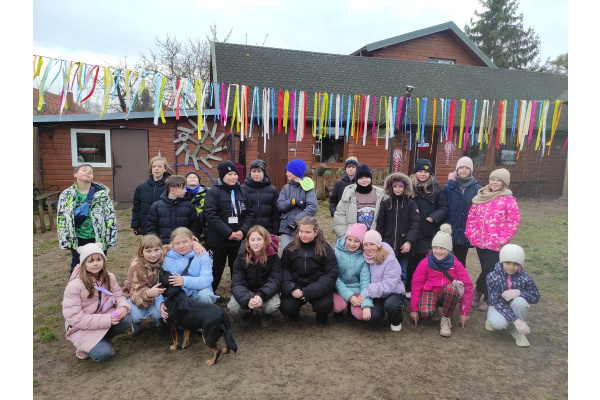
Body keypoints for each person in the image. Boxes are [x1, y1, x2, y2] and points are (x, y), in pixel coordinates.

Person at [62, 242, 132, 361]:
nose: (95, 264)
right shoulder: (74, 286)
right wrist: (107, 320)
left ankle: (102, 340)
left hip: (103, 316)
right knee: (103, 353)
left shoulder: (109, 277)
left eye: (99, 259)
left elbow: (119, 296)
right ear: (83, 263)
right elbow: (74, 317)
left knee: (126, 319)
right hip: (81, 327)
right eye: (90, 261)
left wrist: (122, 308)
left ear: (103, 260)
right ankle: (85, 347)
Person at [466, 168, 520, 312]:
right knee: (486, 269)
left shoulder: (508, 200)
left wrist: (502, 239)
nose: (494, 182)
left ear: (504, 183)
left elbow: (513, 222)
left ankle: (485, 295)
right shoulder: (481, 197)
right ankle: (481, 292)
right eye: (493, 179)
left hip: (496, 243)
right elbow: (471, 217)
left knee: (490, 270)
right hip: (480, 241)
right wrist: (470, 233)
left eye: (498, 180)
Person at [409, 224, 473, 337]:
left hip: (447, 293)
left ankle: (446, 318)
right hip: (430, 292)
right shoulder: (425, 263)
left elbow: (468, 286)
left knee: (452, 289)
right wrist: (414, 309)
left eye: (442, 248)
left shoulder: (456, 264)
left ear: (449, 249)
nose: (438, 251)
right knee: (425, 312)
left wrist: (464, 312)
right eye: (435, 247)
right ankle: (434, 310)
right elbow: (416, 284)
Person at [203, 160, 256, 293]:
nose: (233, 177)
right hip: (218, 240)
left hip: (238, 239)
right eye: (229, 174)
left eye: (235, 174)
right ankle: (208, 295)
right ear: (222, 176)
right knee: (215, 269)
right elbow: (211, 215)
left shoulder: (242, 191)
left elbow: (250, 213)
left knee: (238, 268)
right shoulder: (213, 192)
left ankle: (238, 293)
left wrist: (243, 231)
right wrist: (228, 233)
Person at [57, 164, 118, 276]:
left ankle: (99, 286)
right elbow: (61, 219)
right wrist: (65, 240)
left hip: (98, 238)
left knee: (98, 266)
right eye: (84, 170)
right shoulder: (66, 195)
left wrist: (111, 238)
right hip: (78, 238)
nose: (88, 172)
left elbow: (110, 216)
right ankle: (76, 286)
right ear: (75, 174)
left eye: (91, 172)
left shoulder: (102, 194)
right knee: (77, 267)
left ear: (93, 177)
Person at [280, 216, 338, 327]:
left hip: (317, 286)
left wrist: (310, 291)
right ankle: (293, 315)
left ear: (315, 232)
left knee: (324, 306)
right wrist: (292, 288)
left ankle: (321, 317)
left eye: (308, 232)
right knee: (287, 307)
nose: (303, 235)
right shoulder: (290, 248)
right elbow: (284, 269)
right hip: (297, 285)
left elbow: (331, 274)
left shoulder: (325, 249)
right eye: (301, 231)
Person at [405, 159, 449, 300]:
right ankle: (408, 288)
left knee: (422, 262)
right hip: (410, 230)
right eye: (420, 171)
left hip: (427, 231)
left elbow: (443, 207)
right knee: (410, 262)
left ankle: (421, 289)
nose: (423, 174)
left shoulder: (435, 188)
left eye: (426, 171)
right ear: (415, 172)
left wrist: (432, 217)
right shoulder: (408, 187)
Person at [485, 244, 540, 347]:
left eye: (516, 264)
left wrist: (520, 293)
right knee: (499, 324)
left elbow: (535, 297)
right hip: (497, 306)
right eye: (508, 262)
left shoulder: (526, 278)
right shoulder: (492, 277)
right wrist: (516, 320)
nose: (511, 267)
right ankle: (492, 319)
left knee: (521, 302)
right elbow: (496, 301)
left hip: (515, 305)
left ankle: (517, 332)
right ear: (501, 261)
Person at [158, 227, 218, 322]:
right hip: (177, 295)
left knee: (206, 295)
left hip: (196, 291)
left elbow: (207, 279)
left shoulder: (202, 255)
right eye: (177, 243)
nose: (181, 246)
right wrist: (160, 302)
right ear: (172, 244)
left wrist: (184, 281)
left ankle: (203, 320)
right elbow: (162, 284)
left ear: (192, 241)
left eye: (184, 242)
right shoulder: (167, 259)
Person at [228, 225, 282, 328]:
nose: (255, 243)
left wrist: (261, 295)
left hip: (265, 292)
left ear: (265, 240)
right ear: (248, 241)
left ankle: (266, 315)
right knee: (234, 307)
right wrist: (247, 299)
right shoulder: (241, 257)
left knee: (273, 305)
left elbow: (275, 280)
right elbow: (237, 282)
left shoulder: (274, 258)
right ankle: (246, 313)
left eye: (259, 239)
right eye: (252, 240)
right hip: (247, 291)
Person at [376, 172, 421, 288]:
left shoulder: (411, 204)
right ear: (391, 187)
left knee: (403, 272)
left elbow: (415, 224)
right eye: (395, 186)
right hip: (388, 244)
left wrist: (409, 241)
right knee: (387, 271)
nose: (397, 189)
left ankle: (400, 294)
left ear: (405, 187)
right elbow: (380, 224)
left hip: (404, 245)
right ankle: (388, 292)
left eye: (400, 186)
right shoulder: (386, 204)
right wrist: (379, 242)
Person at [357, 230, 405, 331]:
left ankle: (396, 320)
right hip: (376, 295)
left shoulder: (390, 260)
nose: (368, 248)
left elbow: (389, 285)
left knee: (391, 306)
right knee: (373, 317)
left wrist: (366, 292)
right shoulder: (365, 258)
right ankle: (380, 313)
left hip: (393, 292)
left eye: (372, 244)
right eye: (366, 245)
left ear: (378, 245)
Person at [442, 156, 482, 268]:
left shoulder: (477, 189)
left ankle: (459, 279)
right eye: (461, 167)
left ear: (471, 170)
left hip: (465, 230)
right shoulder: (448, 187)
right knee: (445, 258)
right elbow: (443, 207)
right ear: (457, 169)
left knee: (460, 260)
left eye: (467, 168)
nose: (464, 170)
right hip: (449, 229)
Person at [122, 235, 167, 335]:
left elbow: (175, 245)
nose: (153, 254)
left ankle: (159, 322)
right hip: (137, 295)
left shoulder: (162, 256)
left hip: (156, 294)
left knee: (161, 312)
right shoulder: (136, 267)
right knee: (136, 315)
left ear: (161, 249)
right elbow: (136, 292)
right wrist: (148, 294)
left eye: (156, 250)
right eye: (148, 251)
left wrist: (194, 242)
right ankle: (135, 324)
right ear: (141, 253)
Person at [333, 163, 386, 240]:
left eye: (367, 177)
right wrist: (346, 237)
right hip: (353, 240)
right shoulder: (348, 195)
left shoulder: (380, 195)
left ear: (371, 178)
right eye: (361, 178)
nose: (364, 180)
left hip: (373, 239)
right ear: (356, 179)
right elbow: (340, 217)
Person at [146, 175, 202, 245]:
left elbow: (195, 227)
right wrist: (157, 244)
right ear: (173, 190)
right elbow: (151, 228)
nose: (185, 190)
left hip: (183, 247)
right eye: (183, 188)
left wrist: (188, 241)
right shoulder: (156, 207)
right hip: (163, 246)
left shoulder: (189, 206)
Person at [333, 223, 373, 321]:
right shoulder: (336, 253)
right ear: (345, 239)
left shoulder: (363, 256)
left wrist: (366, 304)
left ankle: (351, 309)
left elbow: (365, 281)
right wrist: (349, 296)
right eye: (349, 239)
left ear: (361, 243)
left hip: (356, 288)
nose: (352, 244)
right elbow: (334, 277)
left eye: (356, 241)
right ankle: (339, 312)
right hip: (339, 287)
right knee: (337, 306)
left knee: (360, 315)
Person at [276, 159, 318, 251]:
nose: (286, 174)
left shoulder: (308, 188)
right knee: (286, 252)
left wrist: (297, 220)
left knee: (301, 253)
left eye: (289, 171)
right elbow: (280, 206)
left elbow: (312, 207)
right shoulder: (286, 188)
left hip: (302, 229)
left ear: (296, 172)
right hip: (286, 228)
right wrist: (292, 202)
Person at [131, 155, 173, 236]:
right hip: (147, 225)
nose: (156, 169)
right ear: (151, 169)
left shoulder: (170, 186)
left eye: (159, 166)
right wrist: (136, 225)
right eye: (154, 166)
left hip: (165, 226)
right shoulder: (142, 187)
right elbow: (136, 207)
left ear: (165, 169)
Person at [241, 159, 279, 235]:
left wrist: (275, 232)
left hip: (267, 231)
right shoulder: (243, 189)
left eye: (259, 171)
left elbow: (275, 213)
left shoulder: (272, 190)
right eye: (254, 171)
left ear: (264, 172)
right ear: (250, 172)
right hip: (248, 231)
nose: (256, 174)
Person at [183, 171, 209, 245]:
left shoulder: (208, 193)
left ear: (199, 181)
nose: (192, 178)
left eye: (195, 177)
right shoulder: (181, 194)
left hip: (203, 227)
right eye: (189, 177)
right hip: (186, 227)